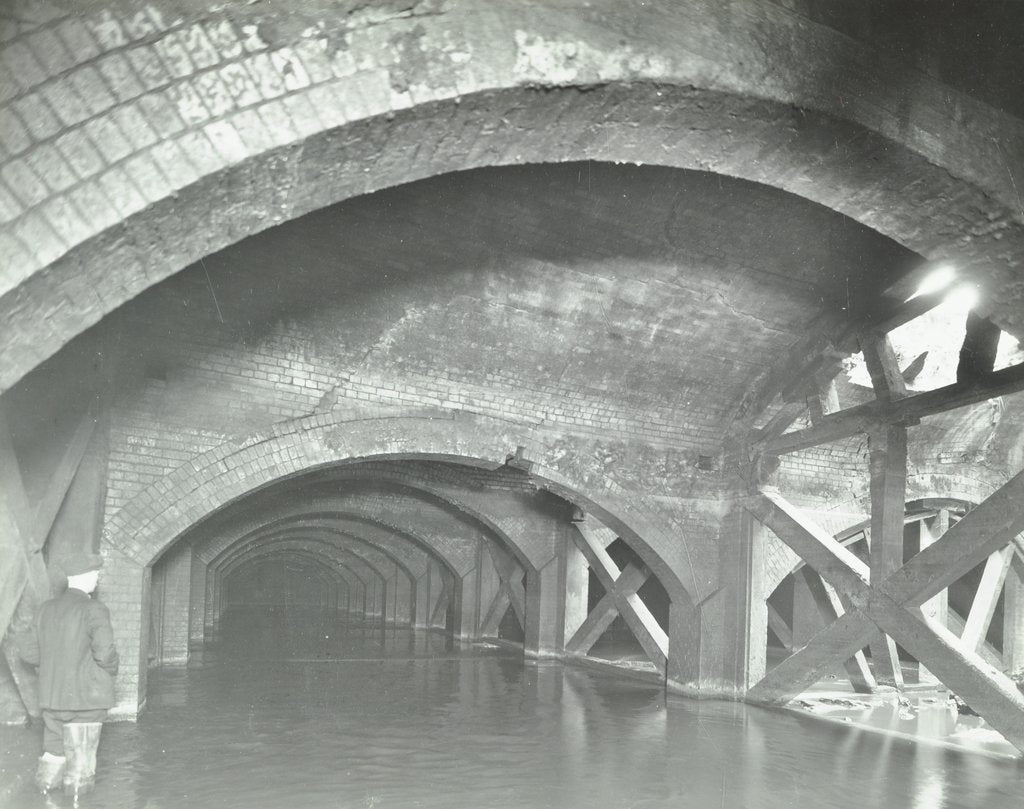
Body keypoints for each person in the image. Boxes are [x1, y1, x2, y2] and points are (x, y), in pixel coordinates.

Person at [19, 552, 119, 796]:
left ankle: (44, 797)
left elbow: (27, 652)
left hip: (53, 699)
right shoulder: (94, 608)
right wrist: (108, 673)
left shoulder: (46, 608)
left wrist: (53, 667)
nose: (96, 579)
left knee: (53, 752)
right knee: (81, 764)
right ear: (87, 578)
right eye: (95, 575)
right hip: (87, 700)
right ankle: (77, 801)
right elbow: (105, 653)